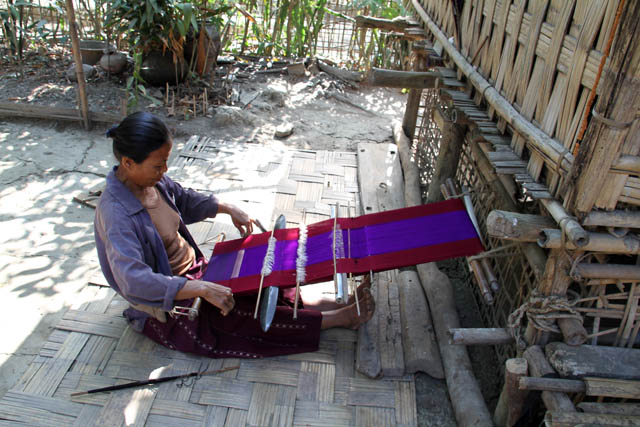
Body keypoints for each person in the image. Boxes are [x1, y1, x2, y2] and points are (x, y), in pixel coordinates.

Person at [95, 111, 374, 359]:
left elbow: (184, 199)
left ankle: (323, 305)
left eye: (165, 162)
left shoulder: (153, 182)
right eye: (158, 165)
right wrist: (202, 289)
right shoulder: (117, 215)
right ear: (128, 163)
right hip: (167, 301)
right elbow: (134, 280)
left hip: (196, 271)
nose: (165, 171)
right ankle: (339, 318)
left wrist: (227, 207)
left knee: (260, 274)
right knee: (236, 315)